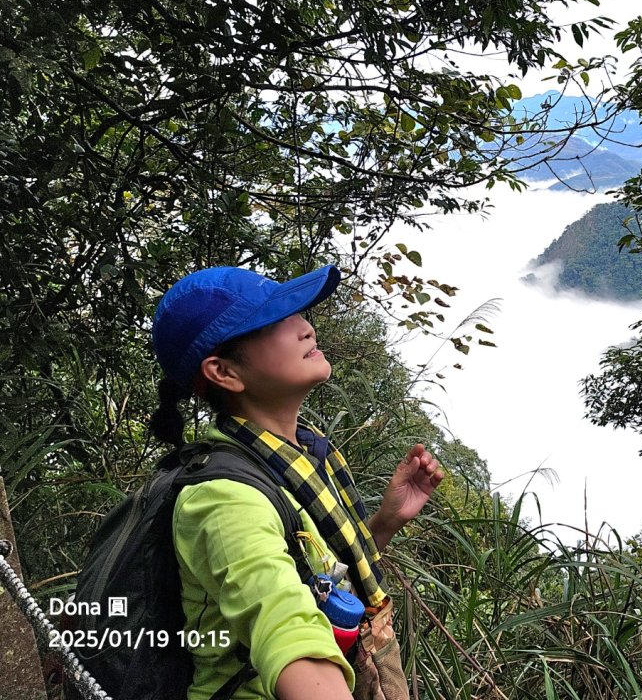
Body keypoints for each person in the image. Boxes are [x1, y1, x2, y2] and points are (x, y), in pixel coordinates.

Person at [150, 264, 443, 700]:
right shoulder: (224, 498)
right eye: (275, 321)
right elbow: (286, 627)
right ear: (224, 373)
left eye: (297, 314)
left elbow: (317, 584)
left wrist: (385, 522)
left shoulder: (303, 456)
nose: (306, 327)